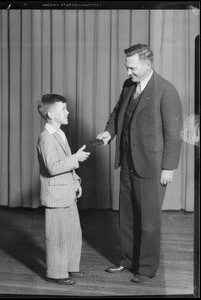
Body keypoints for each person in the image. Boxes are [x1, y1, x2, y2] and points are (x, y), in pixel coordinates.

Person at [97, 44, 183, 283]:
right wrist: (108, 133)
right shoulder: (128, 86)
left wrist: (168, 168)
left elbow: (174, 133)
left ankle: (146, 268)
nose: (128, 73)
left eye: (132, 68)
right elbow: (117, 113)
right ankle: (127, 261)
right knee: (127, 216)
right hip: (127, 162)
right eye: (127, 68)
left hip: (152, 167)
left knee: (149, 220)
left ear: (147, 65)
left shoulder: (166, 90)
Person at [37, 94, 90, 285]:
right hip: (55, 195)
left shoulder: (60, 133)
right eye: (64, 109)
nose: (68, 112)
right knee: (57, 235)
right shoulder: (46, 138)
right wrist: (76, 158)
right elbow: (53, 167)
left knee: (73, 232)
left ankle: (70, 267)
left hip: (67, 193)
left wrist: (76, 182)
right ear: (51, 113)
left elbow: (66, 165)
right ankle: (56, 273)